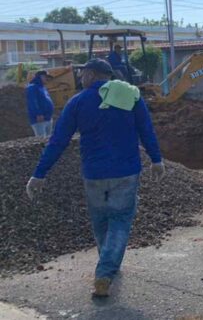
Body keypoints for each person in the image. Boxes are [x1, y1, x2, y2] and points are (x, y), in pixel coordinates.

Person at [25, 59, 164, 298]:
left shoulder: (77, 102)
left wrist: (39, 173)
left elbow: (58, 140)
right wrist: (156, 159)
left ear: (90, 74)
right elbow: (146, 130)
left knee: (101, 220)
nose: (80, 78)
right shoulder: (131, 96)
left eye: (83, 74)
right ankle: (106, 270)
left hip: (94, 173)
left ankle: (107, 265)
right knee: (120, 219)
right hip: (126, 171)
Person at [26, 70, 54, 138]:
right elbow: (32, 102)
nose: (47, 79)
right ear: (40, 77)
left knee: (48, 140)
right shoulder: (32, 87)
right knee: (41, 140)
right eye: (46, 77)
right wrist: (38, 114)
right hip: (40, 119)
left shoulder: (42, 87)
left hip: (47, 118)